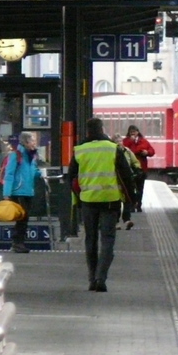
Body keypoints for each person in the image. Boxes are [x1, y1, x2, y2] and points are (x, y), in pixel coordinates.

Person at [68, 117, 136, 292]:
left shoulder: (79, 150)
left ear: (88, 132)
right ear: (102, 129)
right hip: (110, 201)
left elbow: (72, 178)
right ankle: (101, 278)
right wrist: (129, 204)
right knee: (108, 240)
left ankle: (92, 278)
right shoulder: (113, 149)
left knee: (90, 239)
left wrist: (79, 196)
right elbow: (127, 177)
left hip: (88, 201)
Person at [2, 131, 42, 254]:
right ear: (25, 142)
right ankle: (17, 243)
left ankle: (19, 243)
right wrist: (7, 193)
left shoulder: (31, 156)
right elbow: (9, 174)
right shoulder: (16, 155)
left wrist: (41, 174)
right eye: (32, 140)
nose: (34, 143)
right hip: (18, 191)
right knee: (22, 218)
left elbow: (33, 172)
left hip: (28, 191)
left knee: (24, 218)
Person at [122, 125, 155, 212]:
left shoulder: (143, 141)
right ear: (128, 133)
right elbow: (123, 149)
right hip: (130, 169)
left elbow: (152, 151)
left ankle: (139, 204)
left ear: (138, 132)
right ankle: (132, 205)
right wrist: (131, 142)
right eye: (131, 132)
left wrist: (147, 152)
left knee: (140, 188)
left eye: (135, 131)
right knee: (130, 188)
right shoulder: (126, 141)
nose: (133, 133)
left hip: (141, 168)